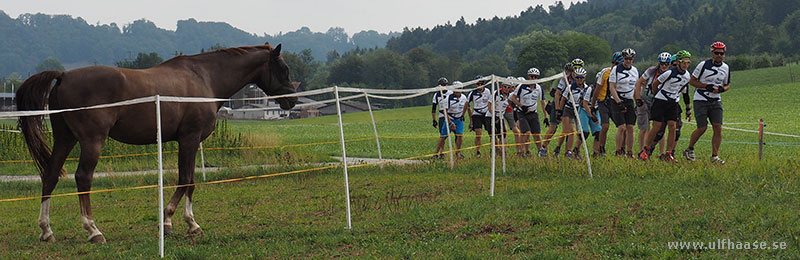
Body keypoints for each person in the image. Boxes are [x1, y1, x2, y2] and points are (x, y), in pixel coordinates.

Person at [640, 50, 693, 162]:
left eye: (688, 63)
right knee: (657, 126)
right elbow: (655, 84)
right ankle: (646, 150)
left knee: (673, 126)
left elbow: (683, 87)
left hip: (672, 102)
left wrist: (676, 95)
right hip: (661, 100)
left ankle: (669, 153)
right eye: (683, 62)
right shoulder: (669, 72)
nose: (685, 65)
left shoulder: (688, 76)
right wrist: (657, 95)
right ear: (678, 62)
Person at [683, 42, 731, 164]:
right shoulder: (703, 65)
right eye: (716, 53)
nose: (719, 55)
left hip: (716, 100)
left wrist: (722, 89)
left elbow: (727, 85)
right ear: (712, 53)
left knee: (718, 127)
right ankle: (690, 149)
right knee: (702, 127)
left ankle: (715, 156)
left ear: (724, 55)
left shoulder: (726, 68)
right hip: (701, 99)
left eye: (722, 53)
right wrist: (706, 86)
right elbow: (692, 81)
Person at [634, 52, 672, 157]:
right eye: (662, 64)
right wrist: (638, 99)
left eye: (666, 64)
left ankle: (662, 153)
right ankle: (642, 151)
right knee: (644, 128)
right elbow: (639, 82)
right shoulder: (651, 71)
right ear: (659, 63)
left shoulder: (670, 73)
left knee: (660, 128)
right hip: (645, 100)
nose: (664, 66)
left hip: (659, 102)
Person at [542, 60, 579, 157]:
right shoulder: (564, 79)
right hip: (557, 103)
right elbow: (557, 94)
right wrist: (558, 109)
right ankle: (543, 148)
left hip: (568, 106)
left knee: (570, 130)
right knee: (553, 127)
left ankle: (567, 151)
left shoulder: (579, 79)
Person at [608, 48, 640, 158]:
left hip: (629, 100)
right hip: (617, 99)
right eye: (626, 59)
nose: (628, 61)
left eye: (630, 59)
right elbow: (612, 87)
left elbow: (636, 87)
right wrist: (618, 102)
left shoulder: (635, 71)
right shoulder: (616, 69)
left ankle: (630, 152)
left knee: (631, 127)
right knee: (621, 127)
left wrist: (638, 100)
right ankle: (618, 151)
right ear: (623, 59)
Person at [590, 52, 623, 156]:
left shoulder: (622, 74)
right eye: (613, 63)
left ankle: (622, 149)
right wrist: (592, 105)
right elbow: (597, 89)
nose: (614, 65)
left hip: (614, 102)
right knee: (605, 126)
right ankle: (601, 148)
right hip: (603, 101)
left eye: (617, 64)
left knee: (623, 127)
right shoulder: (605, 72)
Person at [510, 68, 547, 157]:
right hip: (522, 113)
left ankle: (540, 153)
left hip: (533, 112)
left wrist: (546, 116)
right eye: (531, 76)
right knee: (526, 133)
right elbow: (513, 98)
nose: (533, 78)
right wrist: (521, 106)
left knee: (537, 134)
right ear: (528, 77)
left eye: (535, 77)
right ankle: (521, 152)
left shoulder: (539, 88)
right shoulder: (521, 86)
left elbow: (542, 102)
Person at [559, 67, 588, 159]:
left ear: (584, 78)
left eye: (582, 77)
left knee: (581, 132)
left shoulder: (586, 88)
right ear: (575, 77)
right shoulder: (570, 86)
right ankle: (564, 150)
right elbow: (563, 99)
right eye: (578, 77)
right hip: (569, 108)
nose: (580, 79)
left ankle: (575, 150)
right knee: (568, 131)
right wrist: (559, 111)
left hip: (579, 110)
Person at [466, 76, 492, 158]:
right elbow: (467, 104)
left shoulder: (488, 91)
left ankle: (492, 149)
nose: (480, 85)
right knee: (478, 134)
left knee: (491, 133)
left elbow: (491, 102)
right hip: (476, 114)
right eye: (478, 84)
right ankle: (477, 152)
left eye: (481, 83)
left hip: (486, 114)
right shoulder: (472, 93)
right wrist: (467, 116)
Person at [432, 77, 454, 158]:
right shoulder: (436, 95)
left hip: (450, 115)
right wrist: (434, 120)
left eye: (445, 85)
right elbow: (434, 108)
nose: (443, 86)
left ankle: (457, 152)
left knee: (455, 134)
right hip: (442, 116)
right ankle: (442, 152)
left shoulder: (451, 93)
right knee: (442, 135)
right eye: (442, 85)